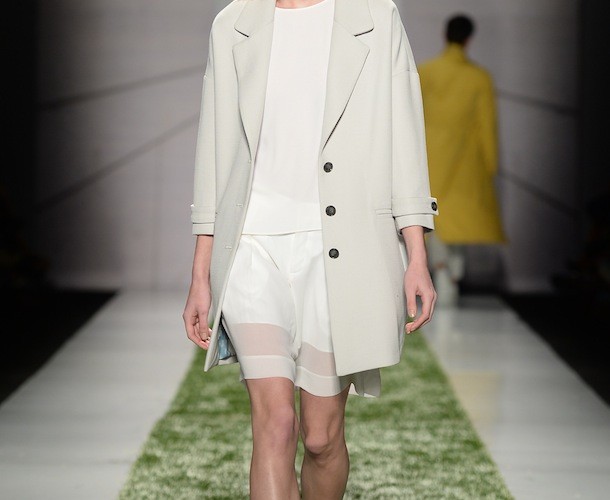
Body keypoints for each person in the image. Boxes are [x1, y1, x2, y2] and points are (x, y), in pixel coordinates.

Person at [183, 0, 438, 498]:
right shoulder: (233, 24)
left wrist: (417, 254)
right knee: (275, 425)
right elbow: (214, 150)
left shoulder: (374, 16)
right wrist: (200, 274)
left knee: (320, 438)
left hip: (341, 250)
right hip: (253, 249)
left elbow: (404, 136)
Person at [419, 15, 506, 306]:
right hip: (465, 161)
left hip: (431, 157)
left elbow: (412, 115)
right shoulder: (479, 78)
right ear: (469, 39)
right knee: (458, 223)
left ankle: (441, 273)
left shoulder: (427, 72)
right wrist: (490, 165)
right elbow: (487, 125)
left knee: (436, 221)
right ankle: (452, 276)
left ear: (445, 34)